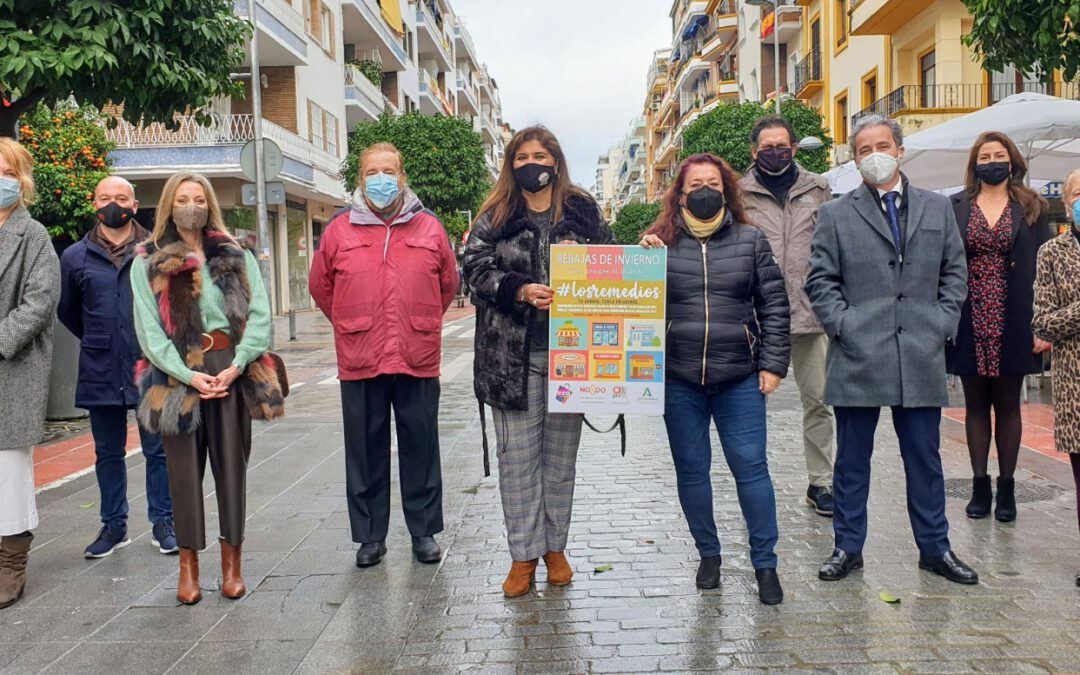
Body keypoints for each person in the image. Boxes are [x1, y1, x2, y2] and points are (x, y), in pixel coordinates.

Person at [806, 114, 977, 585]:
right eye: (864, 149)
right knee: (852, 461)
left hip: (921, 351)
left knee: (925, 458)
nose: (875, 154)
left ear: (900, 150)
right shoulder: (835, 214)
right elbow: (819, 280)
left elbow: (954, 273)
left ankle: (935, 549)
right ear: (855, 158)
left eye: (883, 145)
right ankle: (847, 547)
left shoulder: (937, 209)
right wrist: (843, 325)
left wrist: (942, 322)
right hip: (858, 352)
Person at [463, 126, 614, 598]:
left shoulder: (583, 209)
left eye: (541, 154)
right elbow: (474, 269)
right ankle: (523, 556)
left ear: (556, 160)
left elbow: (612, 259)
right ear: (512, 165)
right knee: (518, 461)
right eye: (523, 156)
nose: (533, 163)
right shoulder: (496, 214)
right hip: (511, 357)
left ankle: (556, 549)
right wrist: (519, 289)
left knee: (560, 461)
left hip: (573, 356)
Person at [640, 153, 790, 605]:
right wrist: (642, 264)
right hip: (679, 379)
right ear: (680, 194)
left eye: (712, 183)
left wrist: (772, 363)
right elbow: (638, 309)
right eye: (694, 185)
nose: (704, 191)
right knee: (692, 472)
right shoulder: (660, 244)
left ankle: (765, 564)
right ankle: (709, 554)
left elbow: (775, 306)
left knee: (752, 470)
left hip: (740, 378)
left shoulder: (751, 240)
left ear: (726, 190)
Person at [131, 172, 282, 604]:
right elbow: (149, 329)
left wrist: (236, 365)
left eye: (199, 198)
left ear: (209, 203)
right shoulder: (147, 259)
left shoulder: (236, 252)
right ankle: (188, 568)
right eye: (183, 199)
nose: (191, 206)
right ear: (168, 205)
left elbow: (259, 313)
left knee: (231, 467)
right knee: (182, 473)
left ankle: (232, 566)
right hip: (177, 374)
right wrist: (186, 374)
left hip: (231, 366)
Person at [310, 142, 458, 569]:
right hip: (360, 355)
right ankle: (370, 537)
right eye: (372, 170)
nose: (381, 178)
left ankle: (423, 532)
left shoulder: (430, 227)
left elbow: (447, 284)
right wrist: (351, 320)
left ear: (402, 174)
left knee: (421, 445)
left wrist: (421, 317)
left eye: (388, 170)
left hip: (417, 352)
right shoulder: (339, 229)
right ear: (360, 178)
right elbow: (321, 287)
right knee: (364, 447)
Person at [58, 176, 177, 559]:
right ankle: (114, 524)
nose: (114, 203)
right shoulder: (75, 256)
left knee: (157, 450)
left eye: (121, 197)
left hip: (149, 363)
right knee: (107, 451)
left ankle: (163, 521)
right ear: (94, 203)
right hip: (99, 364)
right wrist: (99, 336)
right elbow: (68, 310)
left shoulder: (156, 250)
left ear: (135, 202)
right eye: (106, 197)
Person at [947, 132, 1051, 522]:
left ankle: (1007, 488)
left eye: (998, 155)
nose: (992, 161)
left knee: (1008, 404)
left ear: (1012, 162)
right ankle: (979, 485)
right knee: (975, 404)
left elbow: (1045, 269)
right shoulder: (955, 206)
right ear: (975, 163)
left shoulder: (1032, 206)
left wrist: (1042, 322)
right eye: (984, 155)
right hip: (968, 313)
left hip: (1015, 314)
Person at [740, 115, 836, 517]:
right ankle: (752, 482)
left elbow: (833, 245)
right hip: (756, 316)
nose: (775, 153)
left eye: (782, 146)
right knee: (749, 405)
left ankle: (822, 483)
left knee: (819, 401)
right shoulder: (739, 193)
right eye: (767, 147)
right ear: (754, 152)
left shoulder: (819, 188)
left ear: (794, 149)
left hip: (811, 313)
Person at [0, 138, 60, 610]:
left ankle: (11, 563)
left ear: (21, 180)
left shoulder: (32, 234)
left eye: (5, 172)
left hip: (11, 369)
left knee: (9, 471)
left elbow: (40, 302)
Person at [1032, 167, 1080, 587]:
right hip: (1075, 383)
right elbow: (1044, 324)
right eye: (1079, 193)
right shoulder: (1052, 252)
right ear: (1067, 203)